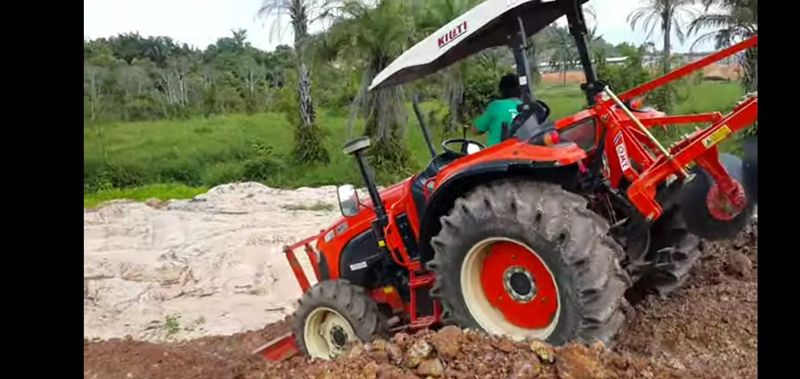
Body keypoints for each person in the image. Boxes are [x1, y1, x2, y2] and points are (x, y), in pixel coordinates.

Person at [472, 74, 523, 146]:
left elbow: (475, 130)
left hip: (496, 154)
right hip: (520, 153)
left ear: (501, 90)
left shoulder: (495, 106)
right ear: (520, 90)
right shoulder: (526, 108)